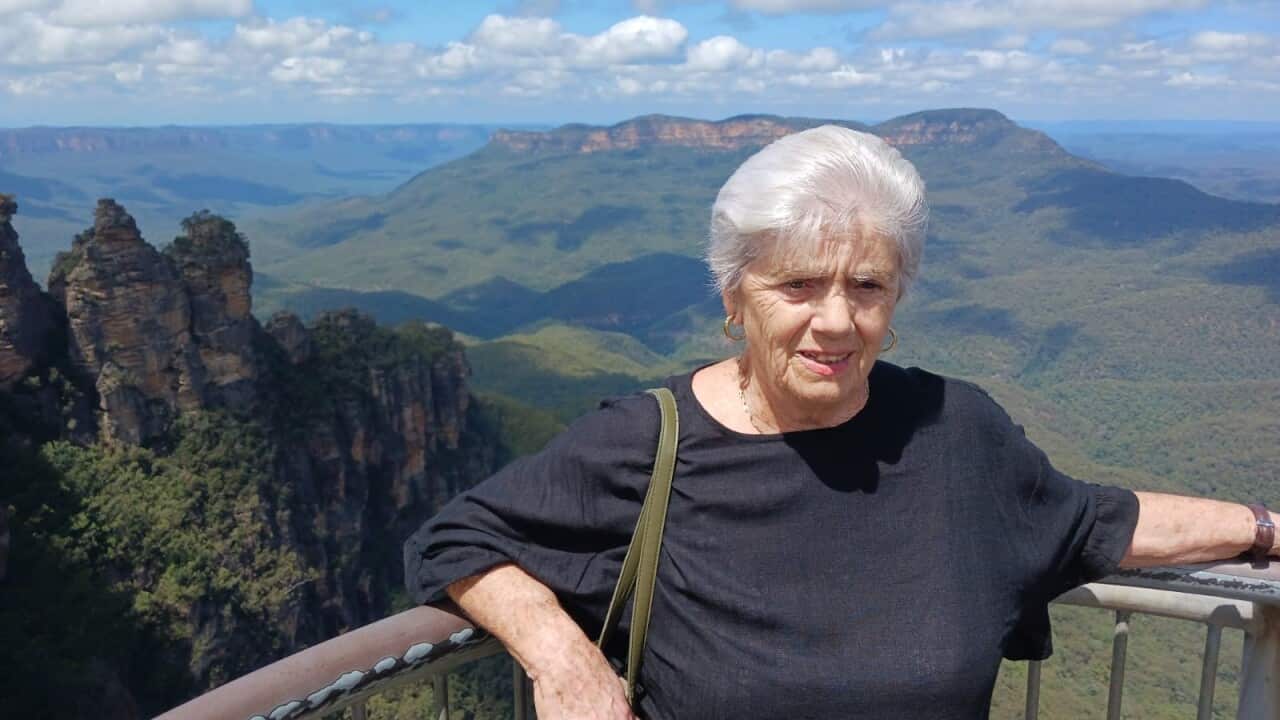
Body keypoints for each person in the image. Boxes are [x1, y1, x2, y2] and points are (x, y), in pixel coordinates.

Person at [403, 125, 1276, 720]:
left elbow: (1092, 518)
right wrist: (561, 654)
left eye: (867, 286)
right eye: (797, 285)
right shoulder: (649, 441)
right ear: (734, 297)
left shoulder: (955, 429)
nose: (835, 320)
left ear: (896, 303)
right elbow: (454, 540)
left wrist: (1265, 529)